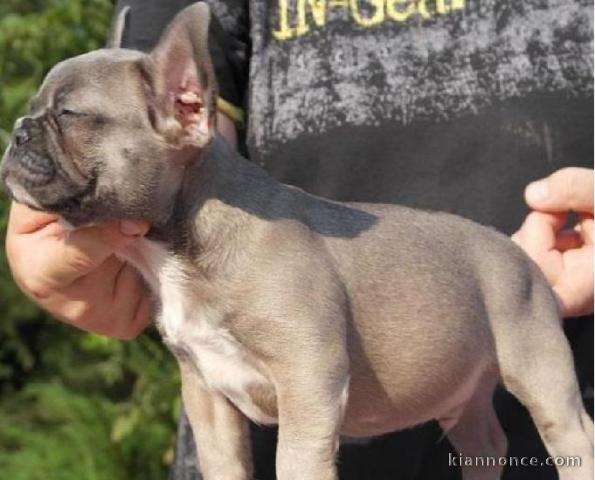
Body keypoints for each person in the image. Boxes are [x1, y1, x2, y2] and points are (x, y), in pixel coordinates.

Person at [5, 0, 593, 479]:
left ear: (185, 107)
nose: (28, 137)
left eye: (70, 119)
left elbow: (311, 371)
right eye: (36, 121)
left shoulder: (273, 265)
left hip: (504, 279)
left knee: (562, 429)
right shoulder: (189, 271)